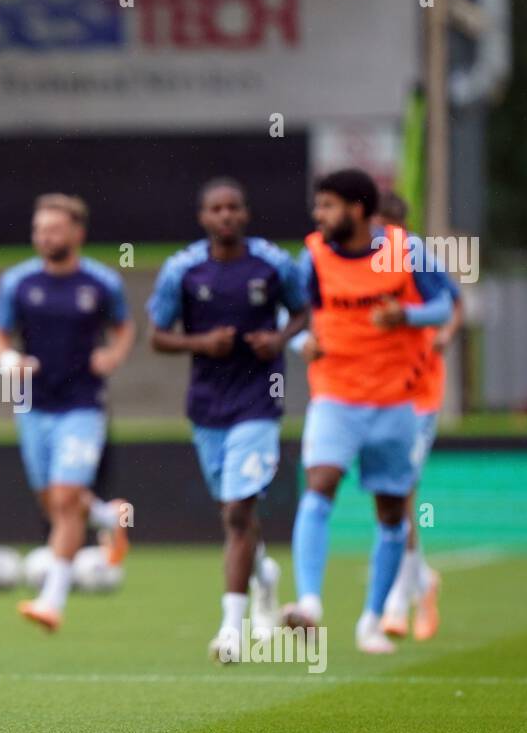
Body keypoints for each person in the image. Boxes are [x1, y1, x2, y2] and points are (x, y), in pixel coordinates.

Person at [282, 169, 455, 654]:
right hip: (335, 396)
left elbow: (444, 305)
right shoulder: (313, 254)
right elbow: (291, 311)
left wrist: (408, 316)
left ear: (357, 209)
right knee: (319, 486)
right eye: (318, 207)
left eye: (328, 206)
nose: (319, 216)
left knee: (392, 512)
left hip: (395, 401)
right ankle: (309, 604)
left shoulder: (404, 250)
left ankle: (374, 620)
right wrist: (301, 340)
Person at [147, 177, 308, 663]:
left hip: (259, 402)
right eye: (216, 209)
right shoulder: (183, 269)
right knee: (233, 513)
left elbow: (305, 312)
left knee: (239, 512)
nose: (226, 216)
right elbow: (157, 335)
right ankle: (265, 578)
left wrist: (280, 340)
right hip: (207, 406)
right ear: (203, 217)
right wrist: (200, 344)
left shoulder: (275, 262)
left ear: (245, 213)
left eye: (233, 207)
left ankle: (230, 631)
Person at [0, 194, 135, 633]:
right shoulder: (18, 282)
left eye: (53, 229)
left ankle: (51, 600)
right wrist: (8, 360)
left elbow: (125, 326)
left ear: (76, 234)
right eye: (39, 229)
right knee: (53, 502)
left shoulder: (101, 283)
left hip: (83, 406)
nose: (44, 236)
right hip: (33, 405)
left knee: (67, 500)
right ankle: (109, 516)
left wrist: (114, 354)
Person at [373, 191, 463, 641]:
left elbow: (453, 301)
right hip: (380, 393)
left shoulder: (413, 254)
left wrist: (443, 332)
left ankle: (394, 602)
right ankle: (421, 582)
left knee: (401, 488)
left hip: (421, 392)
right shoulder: (359, 261)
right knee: (392, 493)